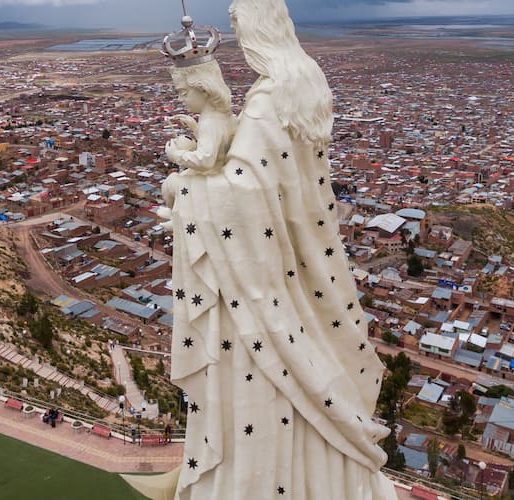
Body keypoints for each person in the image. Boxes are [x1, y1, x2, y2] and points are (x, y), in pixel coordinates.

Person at [148, 1, 398, 497]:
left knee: (267, 379)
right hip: (303, 261)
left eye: (239, 24)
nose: (238, 35)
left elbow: (245, 192)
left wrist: (183, 188)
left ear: (256, 27)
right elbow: (274, 175)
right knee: (311, 355)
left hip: (260, 284)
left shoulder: (270, 97)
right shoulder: (305, 81)